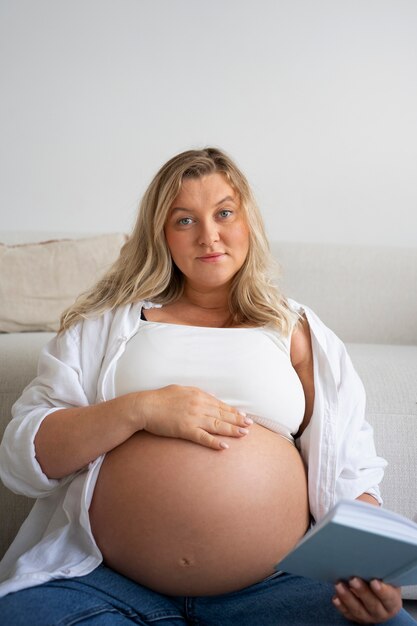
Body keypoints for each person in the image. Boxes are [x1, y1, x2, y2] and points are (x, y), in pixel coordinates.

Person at [0, 147, 414, 626]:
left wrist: (373, 576)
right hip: (110, 585)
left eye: (223, 213)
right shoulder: (106, 326)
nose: (208, 236)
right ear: (162, 235)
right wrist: (141, 410)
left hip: (278, 589)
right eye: (183, 220)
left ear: (247, 222)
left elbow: (350, 468)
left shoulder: (294, 328)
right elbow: (22, 458)